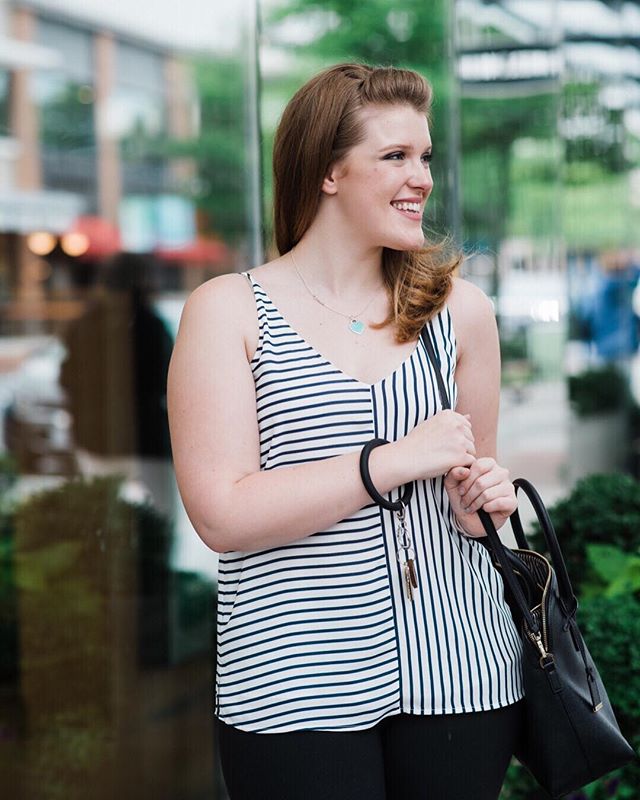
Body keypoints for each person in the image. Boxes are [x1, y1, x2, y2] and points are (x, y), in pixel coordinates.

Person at [168, 63, 524, 800]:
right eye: (394, 156)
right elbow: (222, 514)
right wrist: (389, 461)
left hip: (461, 671)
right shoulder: (229, 310)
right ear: (329, 172)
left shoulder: (462, 311)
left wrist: (480, 498)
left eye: (425, 157)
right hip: (292, 684)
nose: (421, 177)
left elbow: (474, 489)